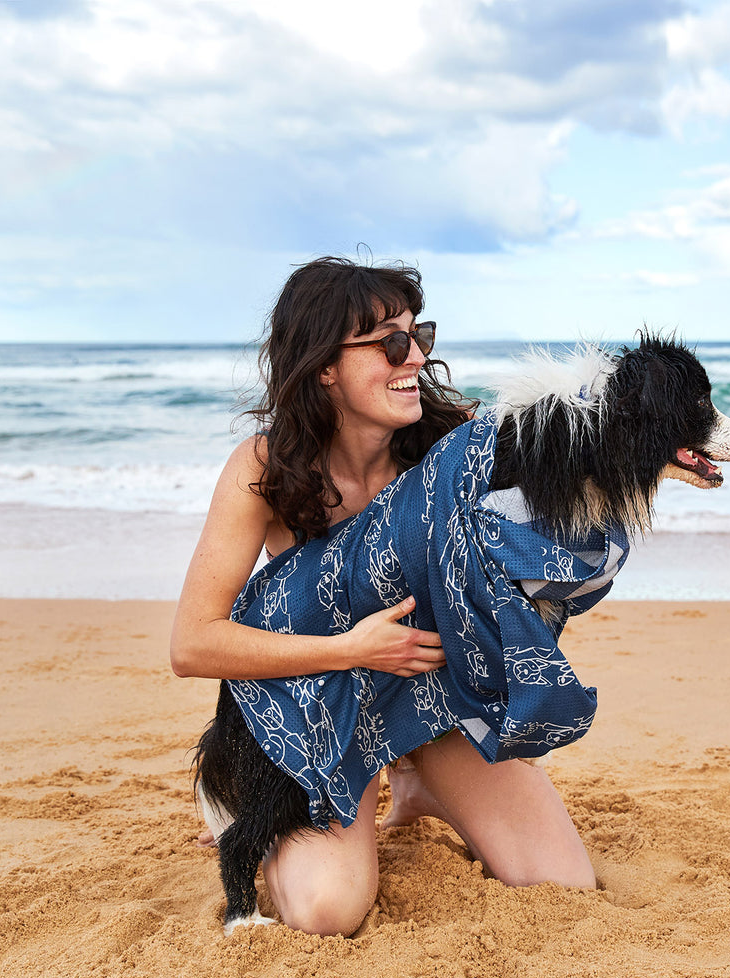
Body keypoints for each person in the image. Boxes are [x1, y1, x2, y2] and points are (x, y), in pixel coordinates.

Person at [170, 256, 594, 937]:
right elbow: (193, 644)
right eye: (390, 343)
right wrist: (351, 648)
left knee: (562, 883)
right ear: (324, 367)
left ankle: (421, 780)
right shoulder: (267, 468)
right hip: (321, 704)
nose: (415, 357)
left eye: (419, 335)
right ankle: (241, 802)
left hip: (433, 698)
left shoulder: (453, 450)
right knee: (326, 910)